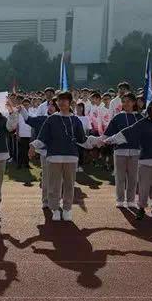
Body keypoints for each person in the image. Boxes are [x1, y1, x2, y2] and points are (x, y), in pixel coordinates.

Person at [104, 97, 152, 221]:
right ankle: (141, 208)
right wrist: (110, 139)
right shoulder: (144, 122)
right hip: (146, 160)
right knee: (144, 187)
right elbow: (128, 132)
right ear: (150, 108)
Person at [29, 91, 101, 221]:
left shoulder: (75, 120)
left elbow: (82, 140)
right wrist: (33, 146)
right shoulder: (51, 119)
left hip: (71, 157)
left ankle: (67, 209)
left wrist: (97, 141)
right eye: (59, 100)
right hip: (54, 157)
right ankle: (55, 208)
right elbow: (42, 138)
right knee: (54, 185)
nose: (61, 102)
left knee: (69, 184)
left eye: (64, 100)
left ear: (70, 102)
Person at [102, 93, 142, 208]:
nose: (126, 104)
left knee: (133, 177)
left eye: (128, 101)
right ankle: (120, 199)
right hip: (120, 151)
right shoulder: (118, 117)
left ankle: (131, 200)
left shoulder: (139, 118)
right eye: (123, 102)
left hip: (135, 151)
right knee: (120, 177)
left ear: (134, 102)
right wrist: (98, 141)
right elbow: (107, 134)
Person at [20, 99, 59, 209]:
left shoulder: (64, 119)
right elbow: (28, 120)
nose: (50, 107)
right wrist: (22, 109)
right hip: (45, 153)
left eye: (53, 105)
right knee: (46, 177)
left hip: (59, 153)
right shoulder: (43, 119)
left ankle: (55, 200)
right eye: (49, 105)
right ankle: (45, 201)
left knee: (57, 178)